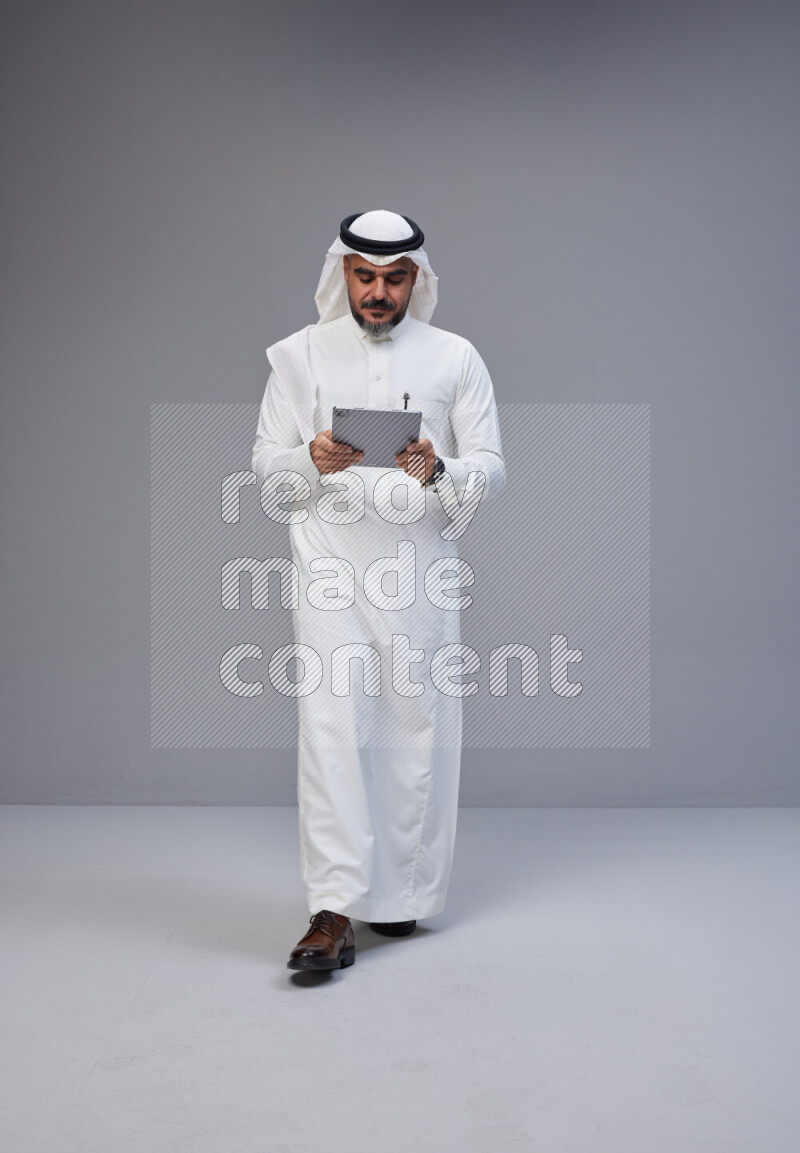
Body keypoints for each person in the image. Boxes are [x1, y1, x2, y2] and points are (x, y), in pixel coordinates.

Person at [251, 210, 505, 972]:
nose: (379, 292)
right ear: (343, 274)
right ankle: (331, 910)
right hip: (328, 573)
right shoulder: (299, 356)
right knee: (331, 729)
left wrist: (440, 468)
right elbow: (265, 469)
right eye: (365, 276)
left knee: (413, 727)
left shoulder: (456, 357)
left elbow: (491, 467)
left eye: (395, 278)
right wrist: (311, 458)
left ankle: (400, 896)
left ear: (417, 279)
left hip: (419, 576)